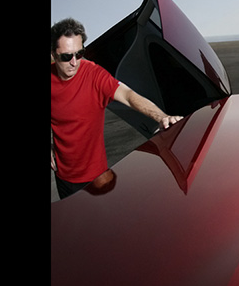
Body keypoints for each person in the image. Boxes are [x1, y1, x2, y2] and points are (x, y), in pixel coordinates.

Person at [51, 17, 182, 201]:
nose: (74, 62)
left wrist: (161, 117)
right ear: (53, 54)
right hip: (63, 178)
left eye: (79, 54)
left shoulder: (94, 75)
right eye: (66, 57)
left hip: (97, 178)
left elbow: (128, 95)